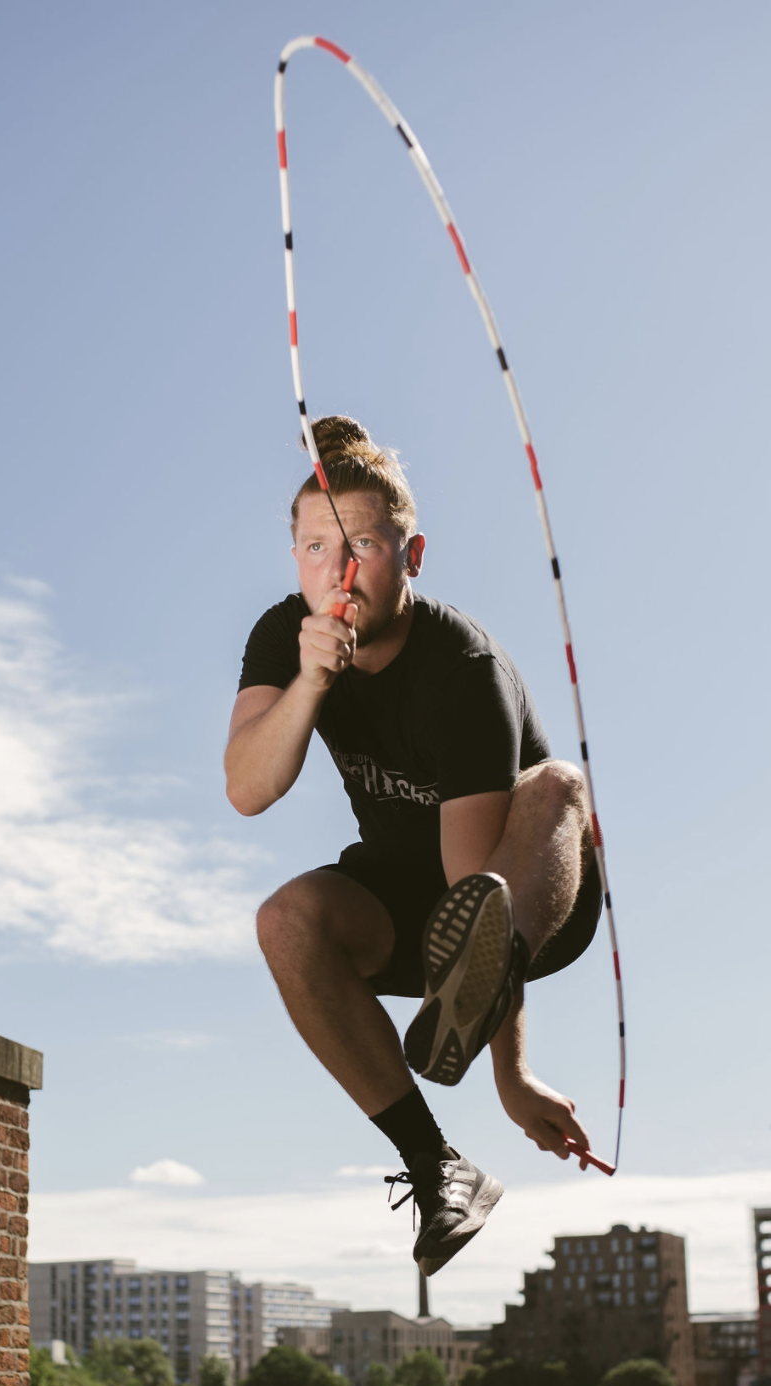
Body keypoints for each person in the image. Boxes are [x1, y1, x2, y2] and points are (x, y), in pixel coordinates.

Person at [225, 417, 602, 1276]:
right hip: (405, 895)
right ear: (294, 559)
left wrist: (512, 1078)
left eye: (363, 545)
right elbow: (247, 788)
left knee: (556, 784)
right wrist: (310, 683)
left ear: (412, 556)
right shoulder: (285, 637)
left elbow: (477, 895)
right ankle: (440, 1170)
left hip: (531, 886)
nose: (339, 571)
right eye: (317, 548)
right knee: (285, 920)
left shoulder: (461, 668)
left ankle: (482, 1028)